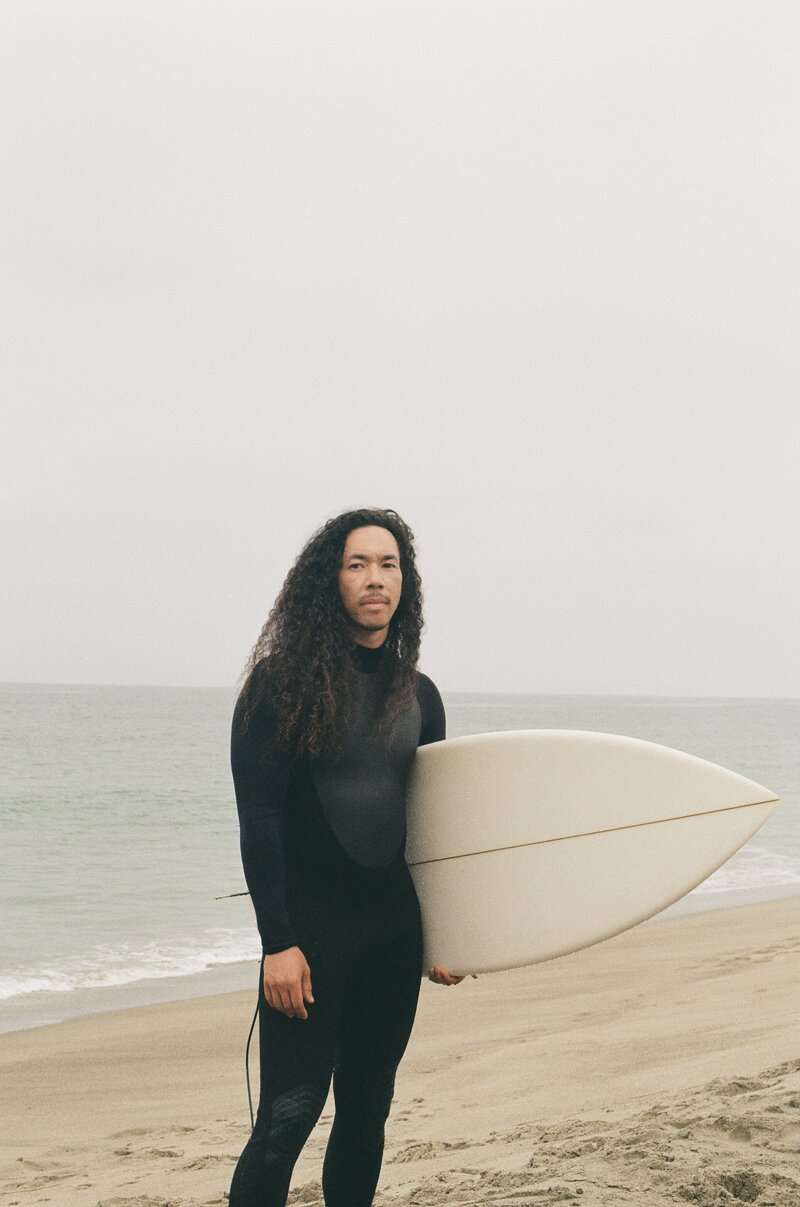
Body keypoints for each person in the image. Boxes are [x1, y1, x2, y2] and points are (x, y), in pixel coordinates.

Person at [228, 508, 466, 1207]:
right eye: (357, 564)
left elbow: (432, 827)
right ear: (329, 580)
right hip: (310, 940)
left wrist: (449, 934)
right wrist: (279, 941)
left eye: (388, 564)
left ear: (405, 582)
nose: (374, 579)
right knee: (286, 1118)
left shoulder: (419, 696)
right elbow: (260, 817)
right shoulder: (278, 685)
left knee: (367, 1115)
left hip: (393, 937)